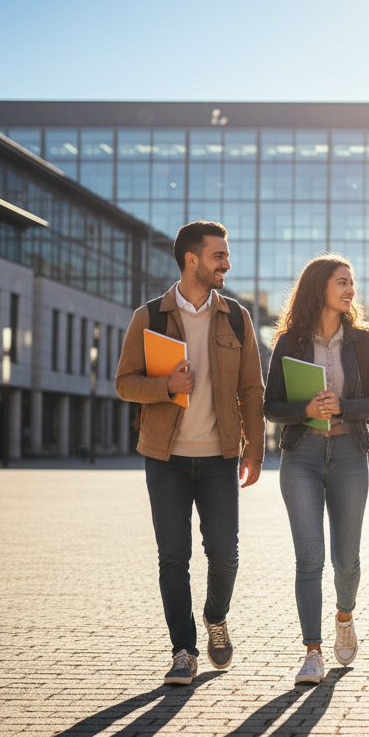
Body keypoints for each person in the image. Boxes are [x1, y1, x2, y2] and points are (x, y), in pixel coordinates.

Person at [116, 221, 264, 686]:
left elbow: (250, 390)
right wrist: (166, 386)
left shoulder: (236, 317)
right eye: (219, 255)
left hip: (220, 457)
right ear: (192, 260)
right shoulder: (150, 316)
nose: (227, 263)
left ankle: (215, 616)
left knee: (225, 556)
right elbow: (124, 383)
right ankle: (183, 650)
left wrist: (254, 448)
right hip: (166, 459)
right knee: (172, 557)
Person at [263, 255, 369, 686]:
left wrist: (342, 406)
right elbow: (271, 406)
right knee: (309, 557)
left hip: (350, 454)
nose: (351, 289)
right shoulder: (289, 342)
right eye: (342, 282)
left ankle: (345, 615)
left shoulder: (363, 341)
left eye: (352, 282)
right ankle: (312, 651)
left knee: (346, 560)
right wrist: (306, 410)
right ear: (319, 288)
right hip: (303, 456)